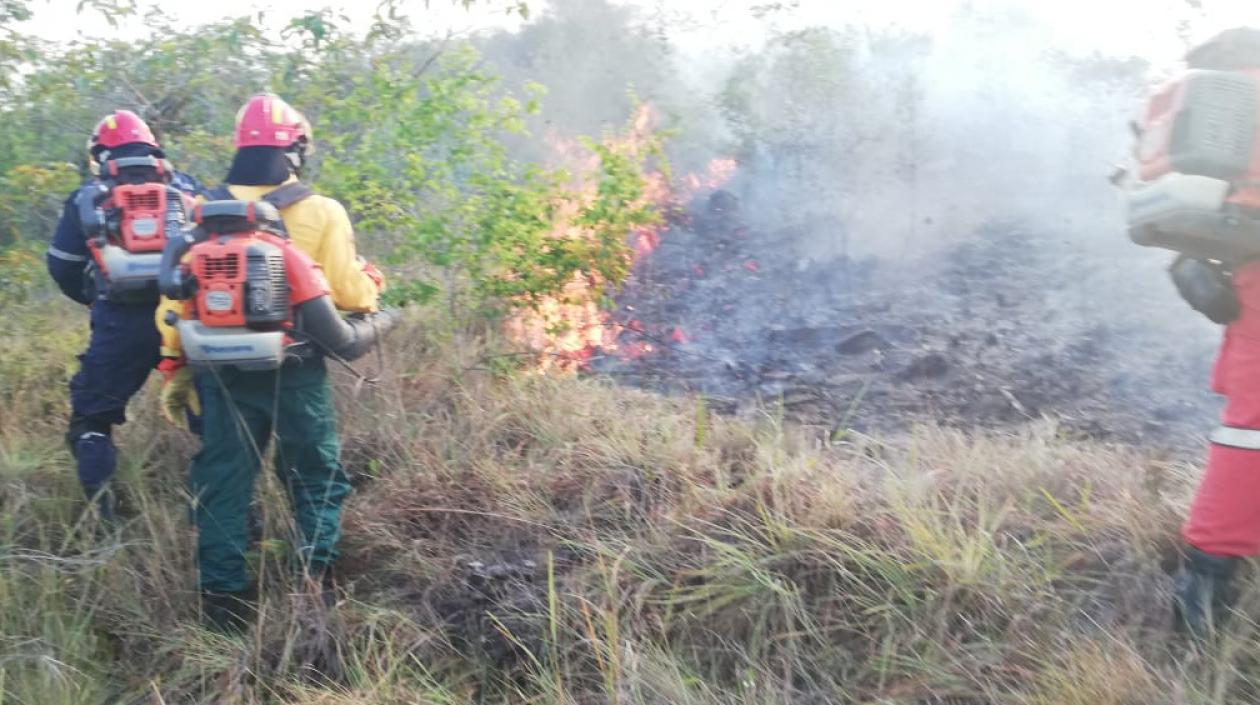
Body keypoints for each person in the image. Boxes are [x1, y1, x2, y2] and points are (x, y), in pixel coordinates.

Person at [157, 93, 390, 631]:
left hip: (219, 372)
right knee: (314, 476)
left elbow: (172, 300)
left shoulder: (201, 213)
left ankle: (224, 606)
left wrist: (174, 366)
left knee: (224, 483)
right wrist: (372, 285)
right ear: (295, 149)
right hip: (296, 370)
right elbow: (350, 296)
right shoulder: (319, 210)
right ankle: (315, 588)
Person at [46, 109, 204, 520]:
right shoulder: (186, 187)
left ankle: (106, 521)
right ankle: (219, 510)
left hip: (121, 322)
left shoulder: (88, 194)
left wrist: (93, 297)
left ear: (100, 154)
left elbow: (62, 265)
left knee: (92, 421)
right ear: (152, 148)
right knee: (212, 418)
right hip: (185, 319)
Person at [1168, 27, 1260, 637]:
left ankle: (1205, 582)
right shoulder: (1239, 105)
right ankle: (1204, 585)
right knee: (1251, 427)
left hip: (1248, 274)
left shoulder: (1215, 114)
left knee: (1250, 421)